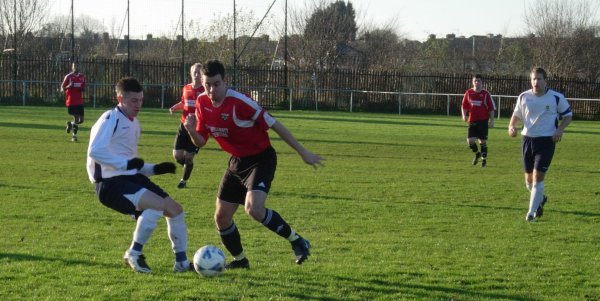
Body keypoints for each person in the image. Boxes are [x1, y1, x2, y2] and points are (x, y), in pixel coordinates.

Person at [183, 59, 325, 268]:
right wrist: (191, 131)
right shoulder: (202, 103)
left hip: (261, 158)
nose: (211, 90)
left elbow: (275, 125)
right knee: (221, 217)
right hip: (236, 161)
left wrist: (302, 152)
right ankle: (240, 261)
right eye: (207, 85)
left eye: (216, 84)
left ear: (226, 81)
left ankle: (298, 241)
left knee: (254, 209)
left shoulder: (241, 102)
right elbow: (201, 141)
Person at [87, 77, 191, 273]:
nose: (139, 105)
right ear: (120, 99)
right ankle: (133, 254)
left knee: (175, 210)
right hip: (110, 184)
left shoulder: (134, 123)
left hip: (129, 178)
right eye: (134, 100)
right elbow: (95, 151)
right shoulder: (110, 118)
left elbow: (131, 163)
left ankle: (182, 263)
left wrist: (154, 169)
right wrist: (125, 164)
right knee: (157, 205)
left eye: (141, 100)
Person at [508, 67, 573, 222]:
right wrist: (511, 127)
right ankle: (541, 199)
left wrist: (559, 130)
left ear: (545, 80)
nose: (536, 82)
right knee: (529, 183)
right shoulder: (524, 97)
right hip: (527, 140)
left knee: (538, 178)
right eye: (533, 79)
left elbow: (568, 116)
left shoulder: (556, 97)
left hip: (546, 141)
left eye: (539, 79)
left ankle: (531, 214)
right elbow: (516, 115)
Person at [169, 63, 205, 189]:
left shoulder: (205, 91)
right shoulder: (186, 88)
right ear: (190, 73)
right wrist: (175, 107)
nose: (197, 75)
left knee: (189, 157)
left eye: (199, 73)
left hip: (196, 129)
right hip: (184, 126)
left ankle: (184, 180)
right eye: (195, 72)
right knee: (177, 156)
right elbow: (184, 102)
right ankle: (187, 166)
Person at [461, 74, 495, 167]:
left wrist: (491, 120)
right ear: (472, 82)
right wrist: (464, 115)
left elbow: (491, 108)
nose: (476, 82)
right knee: (470, 141)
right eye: (475, 81)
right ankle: (477, 154)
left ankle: (484, 160)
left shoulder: (485, 94)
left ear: (481, 82)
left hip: (483, 121)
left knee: (482, 141)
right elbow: (464, 106)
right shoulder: (468, 93)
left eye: (478, 80)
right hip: (472, 120)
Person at [61, 62, 86, 141]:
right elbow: (62, 88)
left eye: (77, 66)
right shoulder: (68, 77)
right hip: (71, 101)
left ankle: (70, 124)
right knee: (76, 118)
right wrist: (69, 86)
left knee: (81, 120)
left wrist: (82, 89)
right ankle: (74, 136)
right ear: (72, 67)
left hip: (79, 101)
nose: (76, 67)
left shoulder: (82, 77)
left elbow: (83, 87)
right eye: (74, 66)